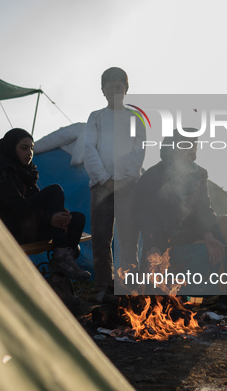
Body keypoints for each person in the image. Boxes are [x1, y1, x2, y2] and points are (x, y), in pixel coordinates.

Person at [135, 129, 227, 311]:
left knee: (226, 225)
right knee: (170, 298)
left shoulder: (199, 174)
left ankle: (226, 294)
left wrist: (208, 236)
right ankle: (189, 298)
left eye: (195, 145)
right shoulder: (151, 177)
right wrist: (153, 245)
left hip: (190, 240)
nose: (193, 151)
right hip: (163, 245)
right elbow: (146, 217)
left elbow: (203, 208)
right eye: (188, 146)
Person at [0, 128, 90, 281]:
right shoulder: (1, 170)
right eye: (24, 148)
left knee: (77, 219)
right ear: (11, 148)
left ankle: (60, 279)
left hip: (28, 227)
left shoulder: (26, 172)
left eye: (32, 148)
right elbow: (17, 206)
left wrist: (58, 214)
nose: (30, 153)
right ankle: (61, 258)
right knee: (55, 190)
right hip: (8, 230)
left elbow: (38, 200)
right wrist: (49, 218)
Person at [84, 67, 146, 303]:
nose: (114, 91)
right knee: (101, 238)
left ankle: (129, 286)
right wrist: (104, 178)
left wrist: (124, 178)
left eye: (119, 87)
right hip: (101, 187)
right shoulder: (95, 117)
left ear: (126, 89)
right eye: (109, 87)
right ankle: (104, 287)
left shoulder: (135, 119)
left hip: (128, 186)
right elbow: (89, 149)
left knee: (129, 237)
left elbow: (139, 149)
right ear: (102, 90)